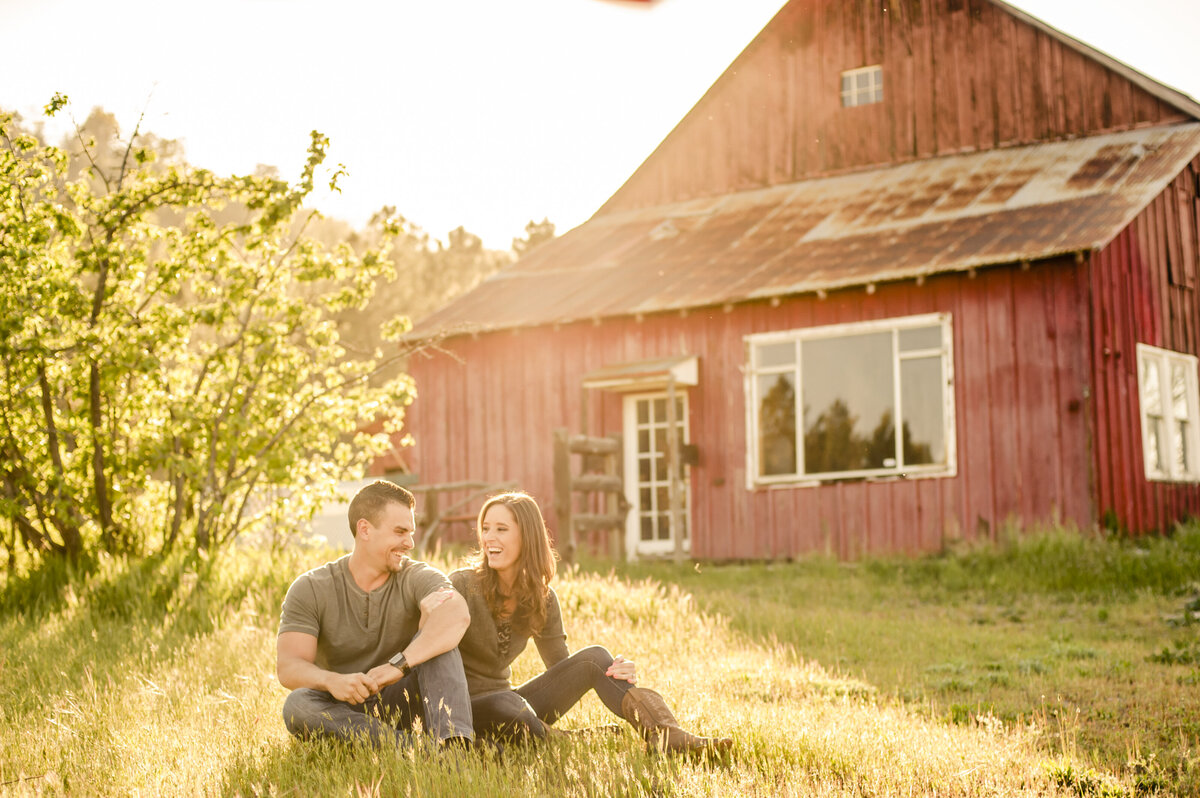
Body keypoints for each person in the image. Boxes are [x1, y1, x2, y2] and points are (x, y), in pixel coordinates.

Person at [449, 491, 731, 755]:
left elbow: (561, 669)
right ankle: (564, 739)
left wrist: (613, 671)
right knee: (507, 704)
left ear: (527, 536)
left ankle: (665, 733)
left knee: (594, 657)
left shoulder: (542, 598)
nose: (488, 537)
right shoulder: (462, 585)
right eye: (485, 528)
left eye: (501, 529)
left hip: (510, 704)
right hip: (462, 708)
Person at [277, 480, 474, 748]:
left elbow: (456, 614)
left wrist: (398, 666)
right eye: (400, 532)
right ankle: (415, 749)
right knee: (298, 704)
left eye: (411, 532)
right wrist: (332, 681)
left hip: (402, 700)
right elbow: (289, 666)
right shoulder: (310, 587)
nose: (410, 542)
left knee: (441, 646)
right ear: (365, 529)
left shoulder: (416, 575)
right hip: (343, 708)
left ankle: (454, 748)